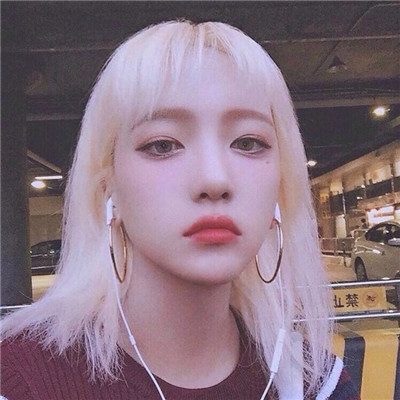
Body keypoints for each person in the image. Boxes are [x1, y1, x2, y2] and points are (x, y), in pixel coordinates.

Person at [1, 20, 359, 399]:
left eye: (248, 143)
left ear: (281, 183)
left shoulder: (313, 383)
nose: (214, 179)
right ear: (108, 186)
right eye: (162, 145)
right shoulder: (21, 379)